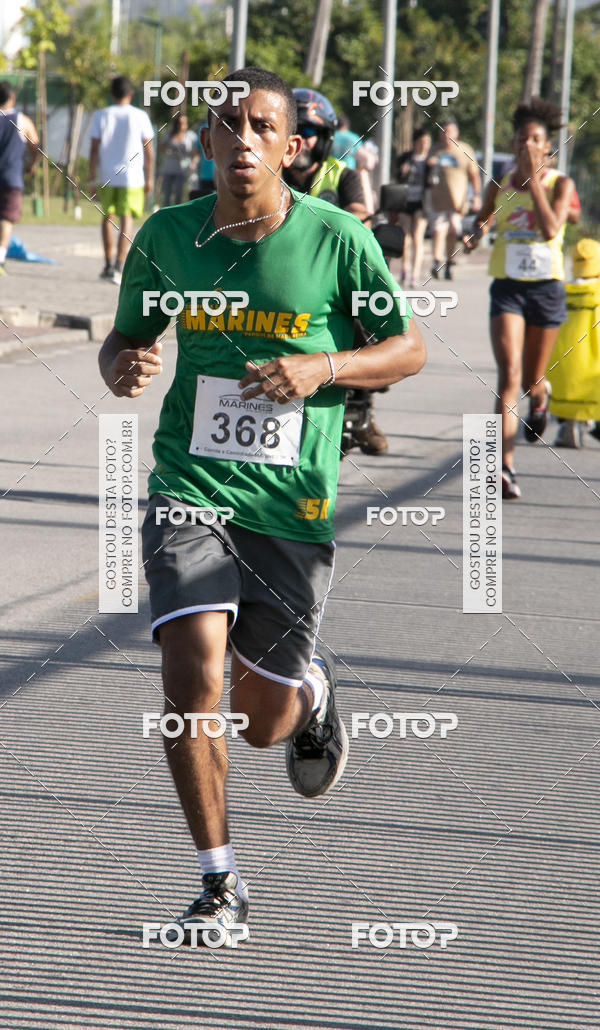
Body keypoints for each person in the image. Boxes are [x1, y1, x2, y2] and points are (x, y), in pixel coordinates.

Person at [98, 66, 426, 945]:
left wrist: (322, 368)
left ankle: (311, 695)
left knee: (261, 721)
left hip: (291, 506)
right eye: (226, 126)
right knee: (191, 668)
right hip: (189, 487)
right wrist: (122, 364)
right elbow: (127, 336)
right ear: (204, 142)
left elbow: (406, 348)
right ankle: (219, 879)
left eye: (260, 126)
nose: (242, 140)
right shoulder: (166, 237)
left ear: (293, 145)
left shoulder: (339, 238)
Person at [463, 97, 574, 499]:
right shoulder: (500, 184)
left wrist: (534, 182)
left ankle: (541, 399)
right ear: (513, 144)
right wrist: (475, 235)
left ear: (548, 146)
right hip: (508, 286)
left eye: (536, 140)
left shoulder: (561, 184)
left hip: (546, 289)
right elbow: (484, 219)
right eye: (522, 139)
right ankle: (504, 468)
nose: (528, 145)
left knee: (531, 379)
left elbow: (549, 229)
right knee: (509, 375)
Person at [284, 87, 390, 456]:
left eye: (310, 131)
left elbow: (360, 212)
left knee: (367, 318)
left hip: (330, 273)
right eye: (294, 129)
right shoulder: (270, 171)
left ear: (326, 138)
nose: (301, 139)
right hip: (276, 271)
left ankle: (362, 409)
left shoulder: (340, 174)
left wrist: (325, 221)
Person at [89, 76, 154, 285]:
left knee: (108, 216)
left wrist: (92, 176)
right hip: (132, 175)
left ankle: (108, 264)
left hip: (107, 173)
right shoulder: (140, 116)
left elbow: (94, 149)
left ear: (111, 94)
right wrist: (150, 176)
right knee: (127, 218)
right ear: (131, 94)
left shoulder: (101, 115)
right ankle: (119, 264)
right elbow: (149, 150)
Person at [547, 237, 600, 448]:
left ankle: (567, 425)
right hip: (593, 365)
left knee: (564, 386)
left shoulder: (560, 292)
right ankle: (588, 422)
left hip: (562, 365)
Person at [428, 121, 481, 280]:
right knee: (438, 229)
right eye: (443, 132)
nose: (446, 135)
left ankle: (449, 263)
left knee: (453, 230)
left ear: (456, 133)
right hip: (437, 200)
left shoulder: (464, 150)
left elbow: (474, 176)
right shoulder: (435, 151)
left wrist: (477, 195)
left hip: (458, 201)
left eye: (449, 131)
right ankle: (437, 261)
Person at [0, 81, 39, 276]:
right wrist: (32, 163)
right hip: (11, 176)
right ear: (12, 98)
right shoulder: (21, 120)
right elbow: (36, 145)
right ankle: (0, 258)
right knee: (7, 218)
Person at [394, 127, 432, 287]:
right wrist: (402, 173)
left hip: (422, 203)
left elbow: (434, 183)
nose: (424, 146)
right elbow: (396, 176)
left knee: (418, 237)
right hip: (405, 201)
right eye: (421, 142)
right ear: (415, 143)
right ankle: (404, 270)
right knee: (405, 238)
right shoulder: (405, 158)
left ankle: (415, 275)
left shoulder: (431, 161)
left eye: (427, 143)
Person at [159, 113, 197, 207]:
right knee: (167, 194)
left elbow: (195, 152)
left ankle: (177, 213)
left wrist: (194, 163)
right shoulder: (169, 135)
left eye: (184, 123)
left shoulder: (190, 136)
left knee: (179, 194)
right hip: (169, 169)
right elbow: (161, 148)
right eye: (180, 123)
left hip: (182, 170)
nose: (182, 125)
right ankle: (165, 214)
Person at [189, 122, 216, 199]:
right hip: (205, 175)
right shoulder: (202, 128)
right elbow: (197, 151)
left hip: (220, 174)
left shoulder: (226, 125)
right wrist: (193, 163)